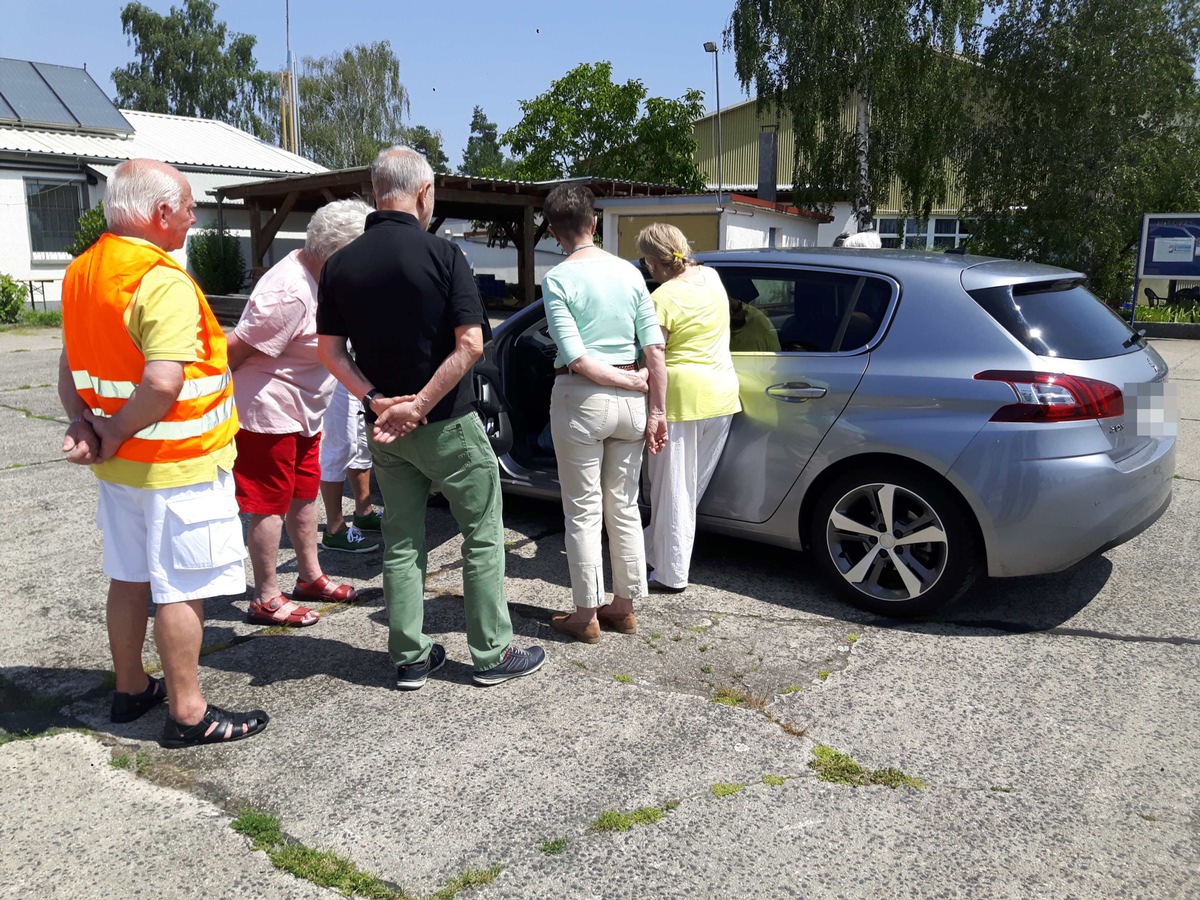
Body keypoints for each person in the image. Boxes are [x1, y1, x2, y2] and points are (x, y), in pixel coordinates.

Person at [58, 158, 268, 748]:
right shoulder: (162, 279)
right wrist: (117, 432)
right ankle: (188, 712)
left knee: (128, 576)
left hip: (120, 467)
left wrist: (90, 428)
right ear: (158, 213)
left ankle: (131, 688)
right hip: (177, 463)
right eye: (187, 206)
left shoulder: (81, 273)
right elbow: (163, 383)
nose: (193, 216)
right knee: (181, 585)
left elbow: (68, 372)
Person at [317, 146, 544, 689]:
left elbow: (330, 353)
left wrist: (378, 402)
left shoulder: (340, 264)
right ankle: (492, 655)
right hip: (448, 424)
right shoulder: (444, 256)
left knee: (401, 541)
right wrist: (419, 405)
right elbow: (470, 345)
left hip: (386, 432)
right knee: (482, 536)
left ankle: (410, 657)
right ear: (423, 193)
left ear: (377, 192)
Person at [227, 199, 374, 627]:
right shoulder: (288, 293)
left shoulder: (321, 280)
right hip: (267, 413)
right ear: (337, 251)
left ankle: (309, 577)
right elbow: (232, 354)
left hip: (305, 411)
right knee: (268, 504)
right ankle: (267, 597)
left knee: (303, 494)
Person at [540, 184, 668, 644]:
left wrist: (624, 381)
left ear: (555, 233)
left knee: (582, 510)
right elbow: (654, 349)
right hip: (632, 405)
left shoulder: (557, 279)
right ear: (594, 222)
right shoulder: (631, 275)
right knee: (625, 505)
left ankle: (586, 614)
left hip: (583, 401)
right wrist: (656, 408)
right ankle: (625, 607)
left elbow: (576, 358)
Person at [637, 224, 742, 593]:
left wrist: (657, 412)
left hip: (682, 401)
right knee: (687, 489)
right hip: (723, 396)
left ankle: (670, 573)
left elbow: (656, 360)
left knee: (672, 490)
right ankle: (656, 548)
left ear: (652, 262)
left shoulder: (662, 298)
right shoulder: (712, 277)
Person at [318, 381, 383, 553]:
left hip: (353, 365)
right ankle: (335, 529)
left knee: (362, 440)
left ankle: (364, 513)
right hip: (332, 368)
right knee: (341, 444)